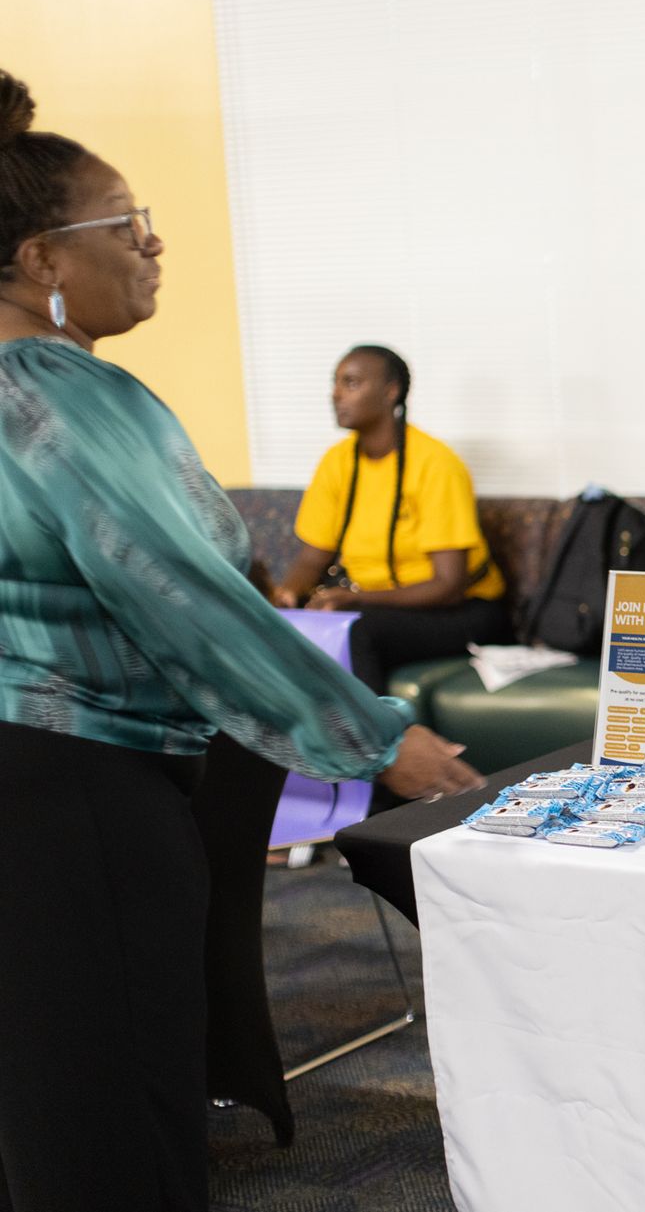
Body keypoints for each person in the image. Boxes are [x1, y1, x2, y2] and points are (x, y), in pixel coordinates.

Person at [0, 70, 484, 1212]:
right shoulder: (67, 399)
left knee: (43, 1105)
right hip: (85, 805)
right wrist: (376, 742)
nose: (153, 245)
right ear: (42, 262)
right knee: (116, 1118)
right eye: (126, 225)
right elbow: (186, 597)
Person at [272, 344, 511, 694]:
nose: (336, 394)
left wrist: (357, 598)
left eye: (351, 383)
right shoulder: (337, 463)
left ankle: (383, 745)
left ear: (391, 391)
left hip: (465, 612)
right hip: (378, 607)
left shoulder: (435, 464)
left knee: (357, 631)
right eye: (335, 383)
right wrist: (287, 596)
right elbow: (312, 558)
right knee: (273, 626)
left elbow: (448, 585)